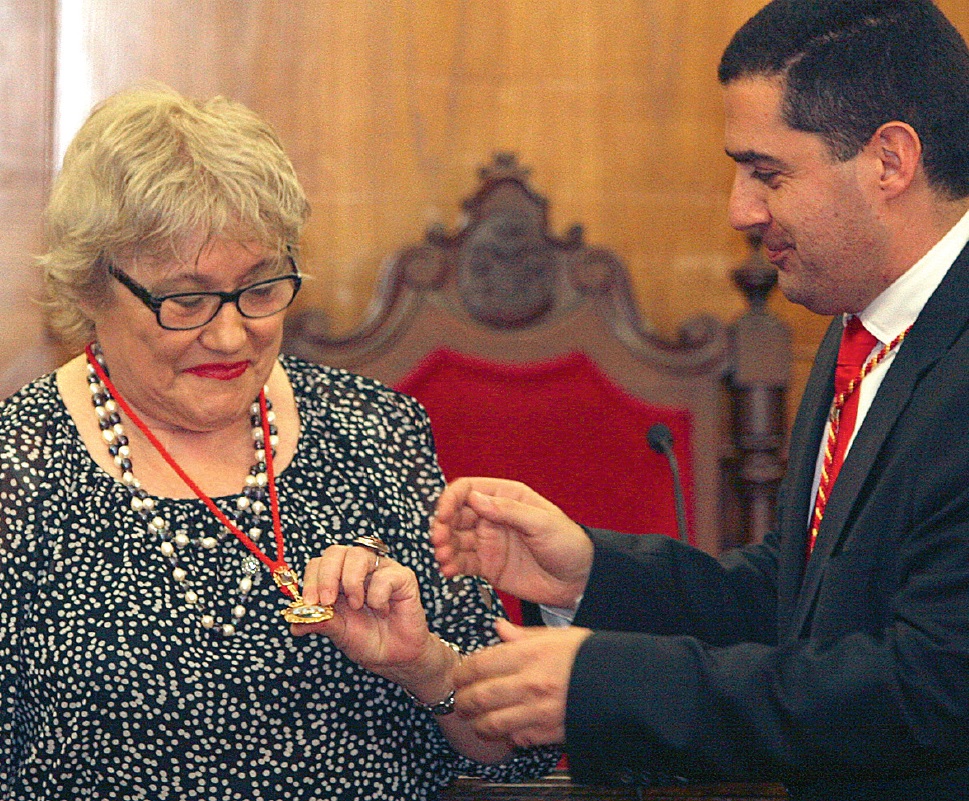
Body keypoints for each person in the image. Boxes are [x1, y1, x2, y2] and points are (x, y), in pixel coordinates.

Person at [430, 1, 969, 799]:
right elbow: (793, 598)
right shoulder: (861, 324)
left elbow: (927, 688)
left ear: (888, 160)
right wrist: (585, 572)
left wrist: (605, 683)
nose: (740, 211)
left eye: (767, 172)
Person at [0, 84, 557, 800]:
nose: (231, 335)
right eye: (187, 299)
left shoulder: (375, 432)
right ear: (89, 290)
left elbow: (513, 750)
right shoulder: (20, 467)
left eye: (260, 289)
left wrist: (425, 666)